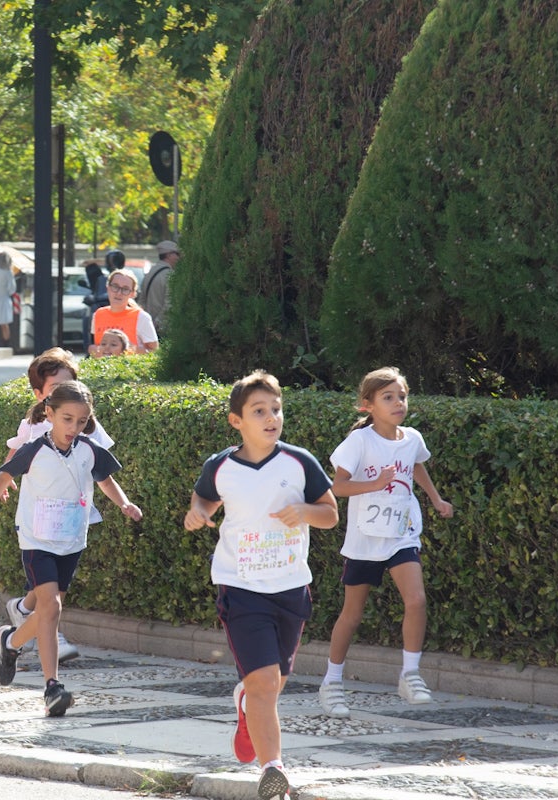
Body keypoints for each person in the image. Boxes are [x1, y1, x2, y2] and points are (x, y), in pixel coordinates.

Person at [183, 370, 338, 800]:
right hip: (240, 586)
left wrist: (306, 511)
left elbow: (330, 515)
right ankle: (273, 772)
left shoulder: (299, 461)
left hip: (290, 588)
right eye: (259, 411)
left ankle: (246, 704)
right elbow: (204, 498)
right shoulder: (221, 465)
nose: (272, 417)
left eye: (276, 409)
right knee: (265, 682)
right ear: (237, 421)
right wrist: (198, 513)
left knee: (273, 684)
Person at [0, 380, 142, 716]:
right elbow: (3, 478)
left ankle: (11, 643)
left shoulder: (88, 450)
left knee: (48, 609)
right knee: (53, 606)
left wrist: (124, 504)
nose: (74, 427)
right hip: (36, 540)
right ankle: (52, 687)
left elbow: (105, 479)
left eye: (81, 421)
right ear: (49, 414)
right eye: (66, 419)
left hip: (71, 540)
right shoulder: (33, 450)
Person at [319, 367, 455, 718]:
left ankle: (410, 674)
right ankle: (332, 682)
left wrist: (436, 499)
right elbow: (337, 487)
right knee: (352, 614)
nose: (398, 403)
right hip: (365, 538)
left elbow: (417, 466)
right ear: (368, 405)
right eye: (388, 397)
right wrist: (375, 484)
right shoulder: (359, 442)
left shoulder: (412, 438)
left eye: (402, 396)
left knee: (417, 600)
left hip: (402, 534)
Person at [3, 347, 116, 663]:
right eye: (55, 390)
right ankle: (50, 635)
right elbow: (13, 458)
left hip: (71, 518)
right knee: (47, 590)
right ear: (41, 396)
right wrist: (5, 481)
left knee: (51, 585)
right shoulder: (34, 426)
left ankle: (23, 610)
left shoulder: (85, 425)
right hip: (37, 520)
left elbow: (100, 460)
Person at [88, 267, 159, 356]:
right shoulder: (98, 314)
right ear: (108, 288)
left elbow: (154, 351)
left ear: (132, 293)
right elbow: (96, 347)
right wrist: (94, 349)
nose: (119, 293)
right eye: (115, 286)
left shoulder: (141, 317)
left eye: (125, 289)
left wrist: (127, 348)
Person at [142, 240, 179, 333]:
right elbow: (169, 304)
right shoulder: (170, 275)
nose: (179, 257)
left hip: (147, 325)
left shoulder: (150, 272)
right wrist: (157, 322)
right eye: (177, 254)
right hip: (161, 328)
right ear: (169, 255)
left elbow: (141, 300)